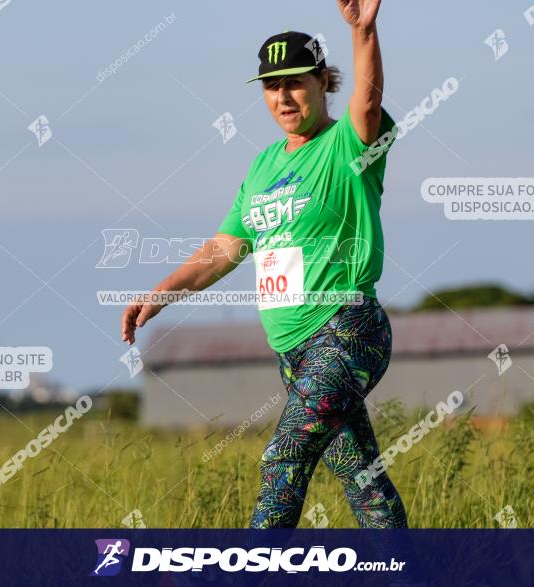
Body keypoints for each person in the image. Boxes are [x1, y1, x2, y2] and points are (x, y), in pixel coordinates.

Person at [120, 0, 407, 529]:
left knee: (281, 459)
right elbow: (224, 250)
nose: (283, 96)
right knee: (361, 477)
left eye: (295, 82)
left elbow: (367, 106)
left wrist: (364, 33)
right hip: (292, 352)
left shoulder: (348, 144)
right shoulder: (263, 167)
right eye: (271, 86)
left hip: (346, 331)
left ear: (323, 82)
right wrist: (158, 294)